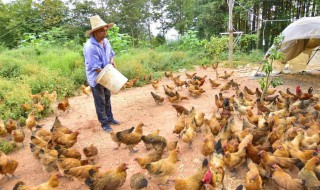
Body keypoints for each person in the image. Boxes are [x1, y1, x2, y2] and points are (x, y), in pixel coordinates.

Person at [83, 15, 120, 132]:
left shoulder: (106, 42)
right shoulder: (90, 47)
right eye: (101, 31)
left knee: (107, 98)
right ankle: (104, 123)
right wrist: (111, 74)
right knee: (100, 101)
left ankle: (110, 118)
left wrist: (112, 62)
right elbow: (96, 67)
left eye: (106, 30)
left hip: (107, 73)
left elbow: (111, 54)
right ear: (94, 32)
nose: (105, 33)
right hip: (97, 77)